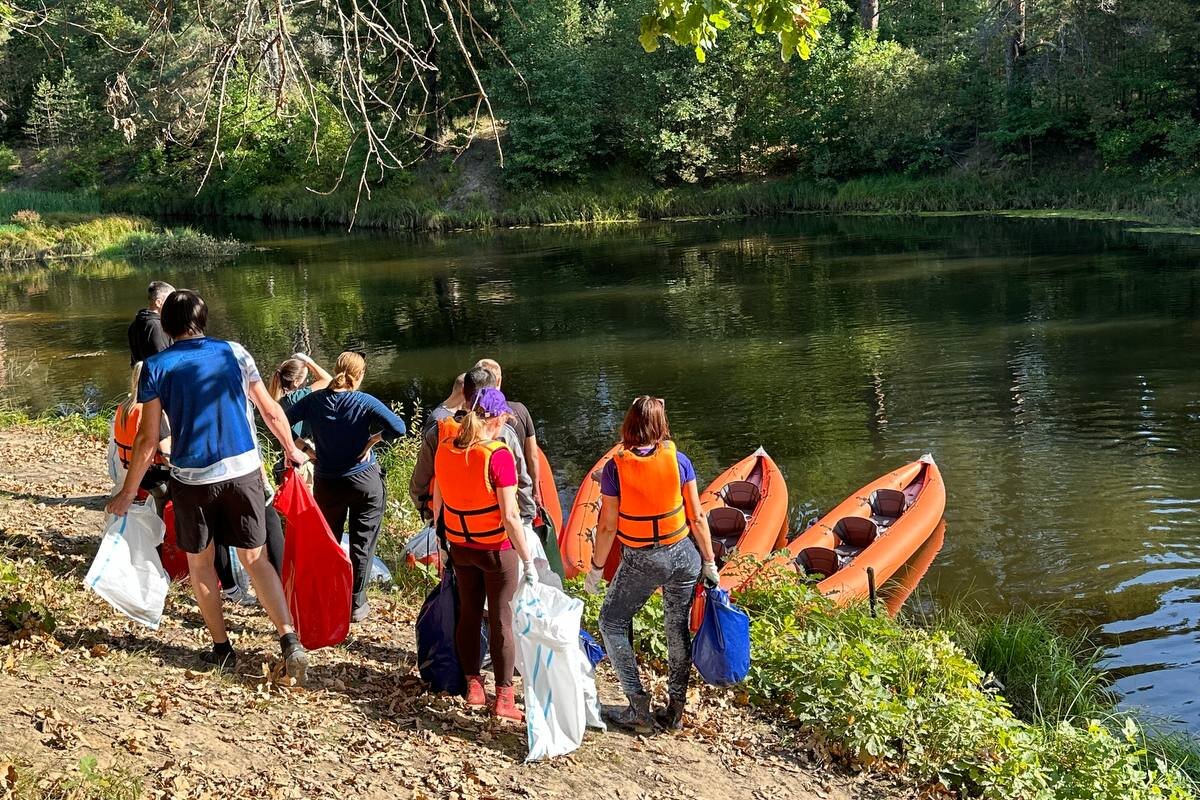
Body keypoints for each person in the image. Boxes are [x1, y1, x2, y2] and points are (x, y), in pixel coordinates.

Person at [105, 290, 310, 682]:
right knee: (256, 560)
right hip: (243, 471)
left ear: (166, 326)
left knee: (201, 563)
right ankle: (289, 641)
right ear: (204, 320)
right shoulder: (235, 352)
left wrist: (128, 492)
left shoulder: (155, 367)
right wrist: (291, 451)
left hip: (193, 480)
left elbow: (148, 440)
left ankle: (222, 649)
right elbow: (270, 409)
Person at [585, 396, 720, 733]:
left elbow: (607, 525)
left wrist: (597, 568)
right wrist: (709, 561)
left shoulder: (616, 468)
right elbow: (697, 517)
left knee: (611, 621)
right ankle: (674, 711)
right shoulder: (680, 461)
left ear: (629, 425)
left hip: (643, 560)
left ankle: (639, 710)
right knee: (676, 629)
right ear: (661, 426)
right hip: (683, 556)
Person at [431, 387, 536, 723]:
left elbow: (439, 501)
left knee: (470, 613)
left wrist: (441, 541)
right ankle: (505, 697)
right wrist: (529, 560)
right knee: (502, 619)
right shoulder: (498, 455)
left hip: (461, 547)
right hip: (495, 550)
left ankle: (473, 685)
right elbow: (510, 516)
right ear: (499, 418)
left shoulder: (446, 448)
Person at [284, 351, 407, 622]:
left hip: (328, 482)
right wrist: (373, 440)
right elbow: (399, 427)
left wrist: (303, 447)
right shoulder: (363, 401)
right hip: (364, 481)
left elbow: (279, 421)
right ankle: (356, 604)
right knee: (362, 543)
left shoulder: (314, 400)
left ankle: (328, 595)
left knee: (330, 541)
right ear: (360, 375)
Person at [409, 367, 537, 530]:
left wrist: (431, 516)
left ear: (463, 392)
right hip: (497, 531)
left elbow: (418, 486)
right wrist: (526, 520)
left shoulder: (437, 432)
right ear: (494, 392)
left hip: (452, 529)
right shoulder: (503, 432)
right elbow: (523, 483)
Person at [475, 359, 544, 508]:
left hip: (485, 497)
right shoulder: (520, 410)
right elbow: (532, 456)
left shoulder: (470, 417)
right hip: (516, 494)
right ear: (499, 380)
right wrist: (536, 492)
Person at [108, 361, 171, 494]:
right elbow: (166, 457)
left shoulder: (124, 407)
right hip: (155, 473)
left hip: (134, 470)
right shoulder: (150, 410)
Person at [127, 281, 174, 366]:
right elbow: (163, 363)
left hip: (144, 378)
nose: (174, 305)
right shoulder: (157, 326)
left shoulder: (134, 325)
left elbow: (134, 363)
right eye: (171, 301)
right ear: (158, 303)